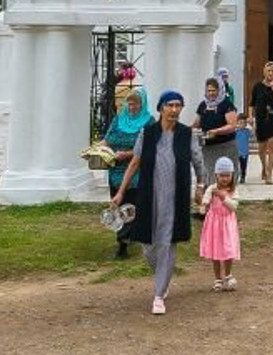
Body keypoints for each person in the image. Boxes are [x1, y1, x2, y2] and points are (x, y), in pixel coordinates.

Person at [112, 88, 195, 315]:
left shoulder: (187, 134)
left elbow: (197, 161)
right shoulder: (147, 134)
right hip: (150, 195)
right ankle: (163, 274)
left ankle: (158, 295)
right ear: (160, 108)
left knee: (167, 242)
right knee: (148, 246)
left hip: (175, 197)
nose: (174, 110)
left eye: (178, 106)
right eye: (170, 105)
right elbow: (134, 163)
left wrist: (202, 187)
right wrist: (121, 192)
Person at [103, 85, 152, 259]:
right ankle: (125, 236)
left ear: (142, 104)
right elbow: (108, 140)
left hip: (136, 170)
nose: (132, 107)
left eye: (136, 104)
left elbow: (149, 148)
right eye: (129, 104)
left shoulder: (148, 122)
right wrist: (95, 150)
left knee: (129, 206)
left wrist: (128, 154)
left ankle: (123, 243)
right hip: (116, 170)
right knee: (116, 205)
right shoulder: (119, 119)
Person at [192, 77, 240, 213]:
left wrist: (217, 131)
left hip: (226, 146)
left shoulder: (226, 104)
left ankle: (227, 205)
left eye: (214, 90)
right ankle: (208, 207)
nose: (211, 93)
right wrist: (188, 130)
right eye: (209, 91)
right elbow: (197, 123)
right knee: (208, 176)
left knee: (225, 176)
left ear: (219, 90)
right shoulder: (203, 105)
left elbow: (232, 125)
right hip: (208, 148)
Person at [199, 156, 241, 291]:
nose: (224, 178)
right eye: (221, 175)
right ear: (216, 175)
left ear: (232, 175)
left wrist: (224, 197)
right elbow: (206, 198)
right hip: (214, 224)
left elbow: (234, 206)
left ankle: (228, 275)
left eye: (227, 175)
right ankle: (217, 278)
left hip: (227, 224)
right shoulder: (212, 188)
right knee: (216, 250)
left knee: (228, 249)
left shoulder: (233, 191)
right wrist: (204, 205)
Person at [250, 61, 273, 182]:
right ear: (264, 72)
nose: (270, 73)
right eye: (268, 71)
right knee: (261, 148)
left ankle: (269, 174)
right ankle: (264, 167)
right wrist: (250, 117)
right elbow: (252, 103)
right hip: (261, 119)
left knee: (272, 146)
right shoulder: (257, 86)